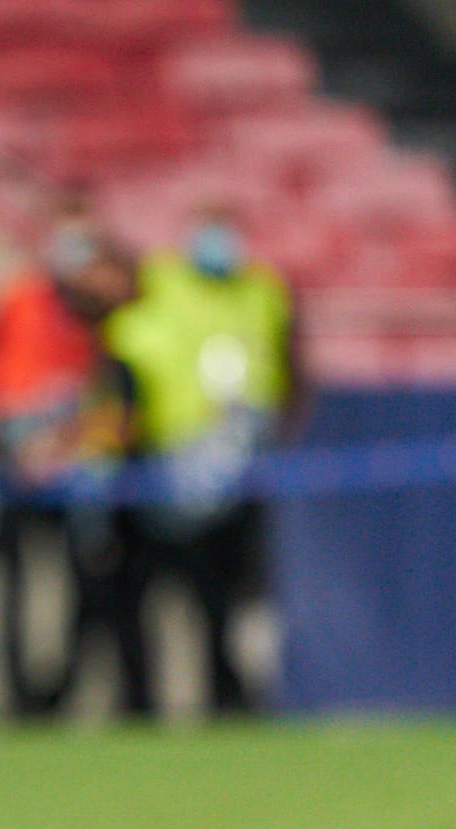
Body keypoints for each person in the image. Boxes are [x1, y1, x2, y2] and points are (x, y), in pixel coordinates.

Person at [102, 208, 304, 715]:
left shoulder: (263, 291)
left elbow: (289, 365)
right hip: (161, 467)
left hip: (239, 472)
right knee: (139, 595)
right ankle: (139, 705)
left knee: (225, 599)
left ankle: (230, 700)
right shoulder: (160, 281)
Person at [0, 207, 138, 717]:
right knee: (16, 587)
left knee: (84, 582)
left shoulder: (99, 306)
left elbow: (105, 389)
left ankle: (63, 692)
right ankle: (22, 699)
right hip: (14, 463)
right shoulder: (15, 298)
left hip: (76, 469)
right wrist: (5, 447)